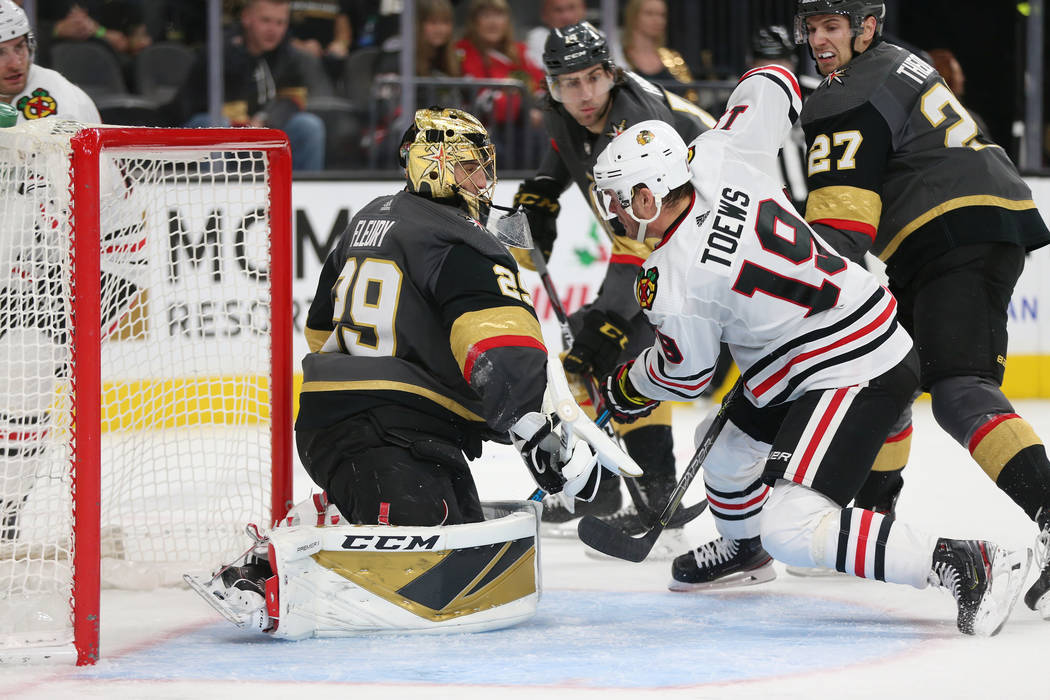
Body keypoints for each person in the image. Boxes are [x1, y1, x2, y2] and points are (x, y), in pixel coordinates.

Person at [591, 67, 1032, 636]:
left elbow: (685, 375)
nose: (614, 214)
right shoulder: (718, 152)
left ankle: (969, 561)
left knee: (793, 527)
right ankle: (745, 551)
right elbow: (773, 84)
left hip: (848, 364)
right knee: (721, 448)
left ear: (647, 196)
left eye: (617, 200)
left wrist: (628, 388)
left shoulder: (670, 281)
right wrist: (765, 66)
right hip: (822, 342)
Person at [186, 107, 631, 637]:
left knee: (460, 530)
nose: (482, 181)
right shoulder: (460, 241)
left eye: (482, 168)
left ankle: (324, 521)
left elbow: (318, 328)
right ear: (435, 168)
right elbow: (499, 346)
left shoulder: (371, 216)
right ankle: (265, 570)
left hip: (369, 428)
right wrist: (531, 426)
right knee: (429, 563)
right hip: (383, 432)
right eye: (469, 168)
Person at [793, 0, 1050, 617]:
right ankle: (872, 515)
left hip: (949, 231)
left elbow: (841, 232)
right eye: (814, 28)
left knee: (960, 389)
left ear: (865, 28)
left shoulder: (840, 96)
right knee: (889, 372)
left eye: (833, 27)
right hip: (969, 223)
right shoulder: (897, 60)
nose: (820, 40)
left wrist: (793, 291)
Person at [512, 20, 715, 544]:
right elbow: (563, 150)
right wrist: (542, 192)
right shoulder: (568, 110)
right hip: (666, 243)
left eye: (592, 80)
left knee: (621, 349)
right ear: (552, 87)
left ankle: (655, 505)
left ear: (612, 73)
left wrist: (606, 318)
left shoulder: (634, 123)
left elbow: (641, 247)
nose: (582, 95)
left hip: (704, 239)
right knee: (618, 357)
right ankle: (644, 499)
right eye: (567, 83)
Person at [0, 0, 144, 553]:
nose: (15, 62)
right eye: (1, 52)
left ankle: (7, 509)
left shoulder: (59, 98)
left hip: (100, 259)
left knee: (25, 362)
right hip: (29, 262)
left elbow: (80, 201)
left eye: (21, 47)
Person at [170, 0, 326, 172]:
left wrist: (267, 121)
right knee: (215, 126)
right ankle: (216, 193)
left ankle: (297, 194)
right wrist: (252, 128)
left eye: (280, 23)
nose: (273, 30)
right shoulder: (221, 51)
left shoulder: (287, 54)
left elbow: (294, 99)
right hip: (206, 128)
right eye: (265, 20)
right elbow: (212, 107)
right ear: (246, 18)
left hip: (259, 127)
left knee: (309, 126)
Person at [455, 0, 546, 166]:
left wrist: (537, 107)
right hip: (485, 134)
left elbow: (542, 86)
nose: (493, 22)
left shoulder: (520, 51)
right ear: (474, 21)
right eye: (486, 15)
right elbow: (489, 105)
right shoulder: (463, 52)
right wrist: (525, 106)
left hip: (524, 131)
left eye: (499, 15)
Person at [618, 0, 697, 104]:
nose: (658, 20)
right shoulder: (619, 57)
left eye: (662, 15)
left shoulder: (673, 57)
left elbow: (691, 96)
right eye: (649, 13)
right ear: (634, 16)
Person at [288, 0, 352, 84]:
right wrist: (300, 46)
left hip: (327, 57)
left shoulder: (339, 2)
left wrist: (340, 45)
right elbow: (276, 26)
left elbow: (344, 32)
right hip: (293, 53)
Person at [524, 0, 585, 68]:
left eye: (572, 8)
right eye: (558, 10)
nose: (566, 16)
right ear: (544, 14)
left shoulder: (597, 35)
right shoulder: (537, 38)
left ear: (583, 9)